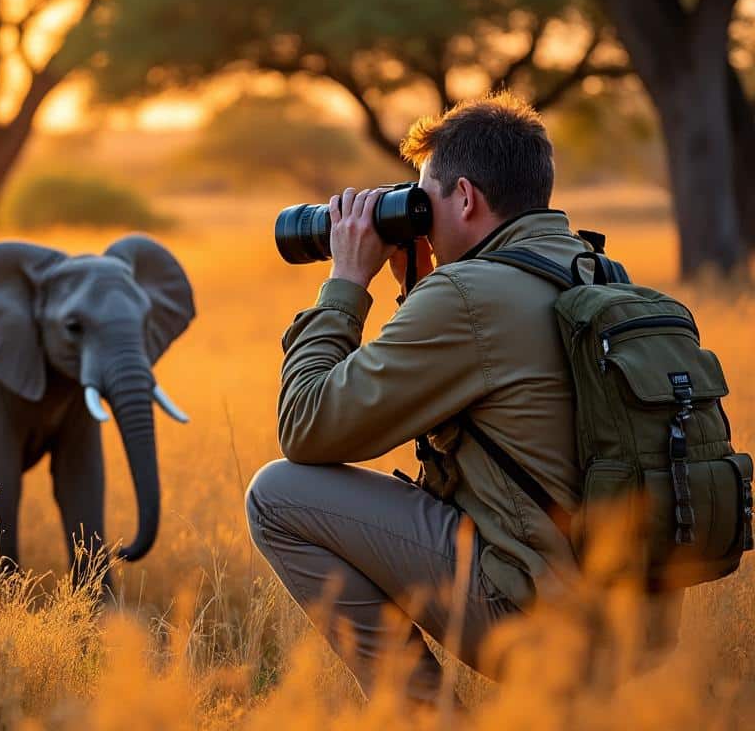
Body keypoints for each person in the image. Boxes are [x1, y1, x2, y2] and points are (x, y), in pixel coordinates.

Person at [244, 92, 620, 704]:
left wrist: (345, 282)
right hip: (635, 626)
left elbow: (306, 427)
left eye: (425, 199)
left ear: (466, 197)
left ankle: (422, 719)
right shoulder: (593, 271)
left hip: (539, 623)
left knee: (277, 494)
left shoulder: (470, 296)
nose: (417, 216)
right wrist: (417, 288)